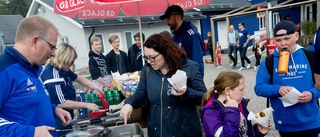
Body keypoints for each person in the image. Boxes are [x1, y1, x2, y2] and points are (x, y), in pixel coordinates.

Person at [120, 34, 207, 137]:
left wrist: (186, 92)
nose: (148, 61)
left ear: (166, 53)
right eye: (146, 57)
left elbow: (203, 97)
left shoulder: (189, 67)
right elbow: (140, 93)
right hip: (157, 131)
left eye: (152, 57)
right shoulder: (147, 69)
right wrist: (129, 104)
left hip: (184, 132)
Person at [0, 15, 72, 137]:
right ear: (35, 41)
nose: (54, 54)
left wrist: (54, 109)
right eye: (51, 47)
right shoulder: (4, 70)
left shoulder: (31, 68)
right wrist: (31, 132)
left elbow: (25, 101)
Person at [254, 20, 320, 137]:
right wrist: (278, 89)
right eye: (278, 40)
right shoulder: (269, 62)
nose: (283, 43)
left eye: (287, 38)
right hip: (285, 123)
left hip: (312, 122)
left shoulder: (310, 56)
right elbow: (259, 88)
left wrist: (312, 94)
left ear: (296, 36)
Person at [40, 43, 102, 137]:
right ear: (64, 59)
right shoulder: (54, 77)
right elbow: (62, 103)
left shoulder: (63, 69)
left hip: (67, 117)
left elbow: (78, 78)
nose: (73, 64)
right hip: (58, 121)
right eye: (71, 61)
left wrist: (96, 87)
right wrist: (87, 105)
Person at [201, 71, 271, 137]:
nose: (244, 93)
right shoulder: (210, 113)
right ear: (228, 91)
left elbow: (244, 131)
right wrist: (232, 111)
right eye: (241, 90)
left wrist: (257, 131)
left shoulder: (239, 104)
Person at [159, 5, 204, 77]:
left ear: (177, 17)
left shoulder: (192, 35)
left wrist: (195, 82)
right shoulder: (175, 37)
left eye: (168, 18)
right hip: (179, 79)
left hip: (189, 81)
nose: (167, 22)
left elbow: (197, 62)